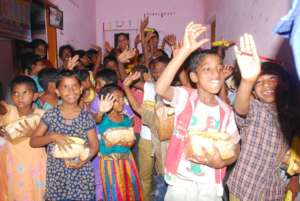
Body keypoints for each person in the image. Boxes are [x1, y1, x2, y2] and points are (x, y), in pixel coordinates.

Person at [155, 22, 240, 201]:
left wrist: (223, 161)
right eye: (207, 69)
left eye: (218, 68)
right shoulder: (185, 97)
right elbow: (161, 89)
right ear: (194, 77)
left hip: (210, 183)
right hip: (180, 181)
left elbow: (236, 146)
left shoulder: (225, 111)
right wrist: (184, 52)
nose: (216, 74)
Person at [227, 33, 299, 201]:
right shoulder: (256, 109)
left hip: (273, 191)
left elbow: (294, 154)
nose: (266, 84)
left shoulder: (291, 117)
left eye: (272, 79)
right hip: (243, 188)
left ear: (284, 84)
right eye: (259, 82)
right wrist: (247, 80)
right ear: (253, 91)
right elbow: (241, 109)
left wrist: (295, 178)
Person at [30, 70, 99, 200]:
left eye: (74, 86)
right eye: (65, 87)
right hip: (57, 174)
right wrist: (52, 136)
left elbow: (94, 146)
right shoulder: (50, 114)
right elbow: (33, 141)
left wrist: (82, 161)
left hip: (81, 174)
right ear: (57, 92)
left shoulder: (86, 117)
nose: (71, 91)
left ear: (81, 89)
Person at [1, 76, 46, 201]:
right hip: (14, 165)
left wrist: (34, 133)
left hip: (35, 164)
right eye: (15, 93)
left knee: (36, 193)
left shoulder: (42, 115)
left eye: (25, 93)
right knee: (17, 194)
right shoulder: (8, 113)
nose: (20, 97)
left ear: (35, 95)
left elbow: (49, 138)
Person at [97, 84, 142, 201]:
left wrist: (130, 142)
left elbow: (130, 141)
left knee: (131, 188)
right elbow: (94, 120)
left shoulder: (126, 119)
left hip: (127, 160)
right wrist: (101, 112)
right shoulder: (101, 120)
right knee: (114, 191)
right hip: (110, 163)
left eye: (123, 98)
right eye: (116, 99)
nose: (121, 102)